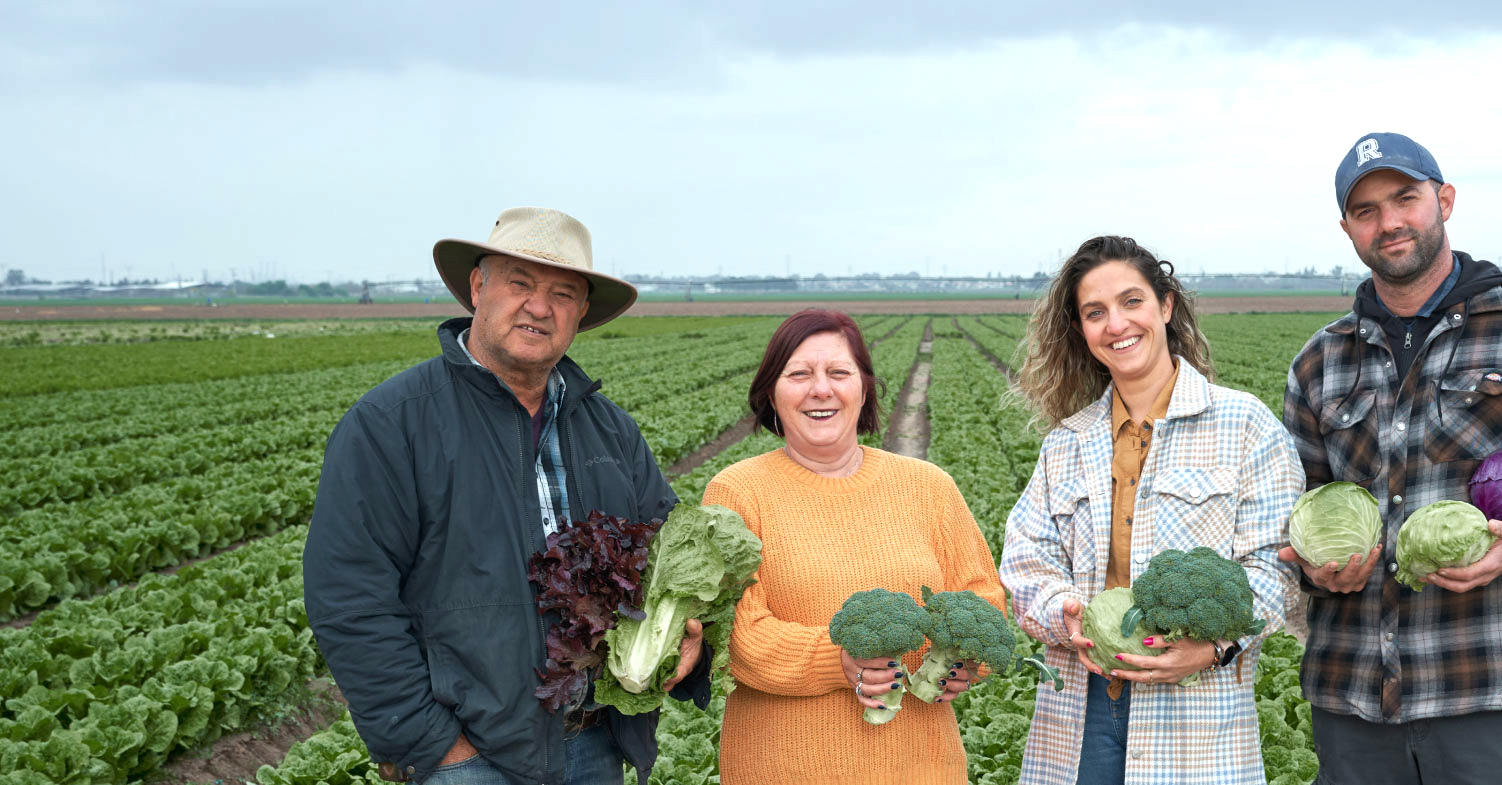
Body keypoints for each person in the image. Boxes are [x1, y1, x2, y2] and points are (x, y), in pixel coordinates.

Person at [1279, 133, 1502, 784]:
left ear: (1443, 200)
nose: (1389, 221)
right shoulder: (1319, 361)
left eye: (1405, 198)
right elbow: (1296, 502)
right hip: (1354, 690)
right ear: (1347, 229)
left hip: (1487, 681)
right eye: (1366, 210)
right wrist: (1312, 567)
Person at [304, 207, 710, 785]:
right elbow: (349, 598)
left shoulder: (610, 429)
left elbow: (671, 550)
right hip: (468, 759)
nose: (540, 307)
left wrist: (688, 633)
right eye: (521, 283)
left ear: (581, 312)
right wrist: (436, 749)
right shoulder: (391, 424)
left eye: (563, 293)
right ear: (478, 287)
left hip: (595, 743)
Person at [998, 237, 1302, 785]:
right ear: (1082, 331)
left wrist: (1210, 647)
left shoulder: (1245, 426)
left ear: (1165, 306)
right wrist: (1063, 612)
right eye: (1095, 313)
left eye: (1131, 301)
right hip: (1081, 713)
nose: (1116, 324)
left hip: (1196, 718)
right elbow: (1025, 558)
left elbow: (1276, 566)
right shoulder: (1066, 443)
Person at [701, 309, 1004, 785]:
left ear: (863, 388)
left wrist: (967, 659)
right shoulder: (737, 492)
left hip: (923, 767)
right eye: (799, 374)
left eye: (838, 373)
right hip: (783, 767)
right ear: (770, 394)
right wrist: (838, 657)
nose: (821, 389)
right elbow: (737, 636)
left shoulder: (929, 487)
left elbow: (983, 599)